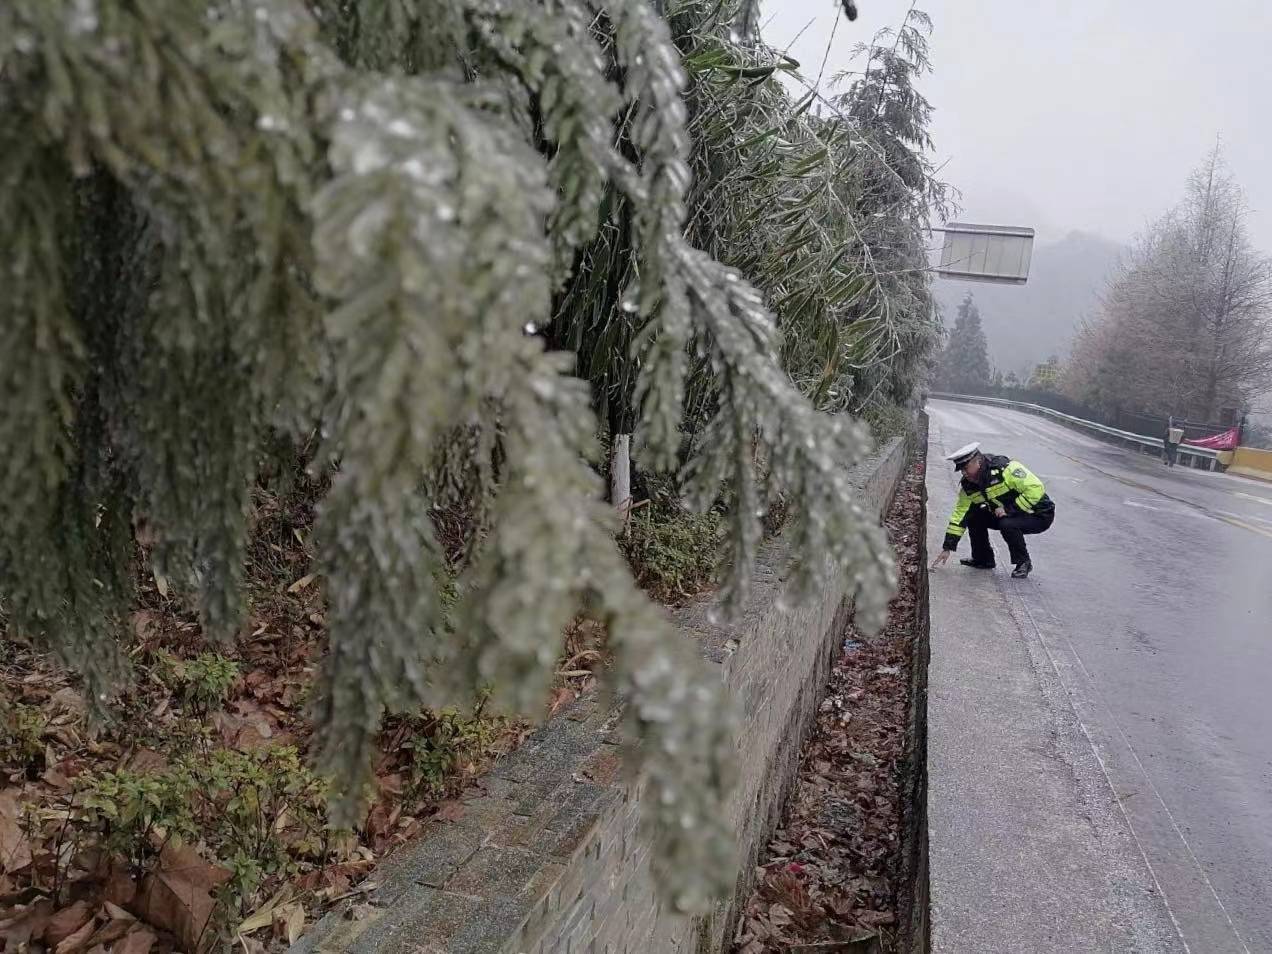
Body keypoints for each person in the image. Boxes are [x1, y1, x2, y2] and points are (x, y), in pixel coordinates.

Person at [930, 442, 1055, 579]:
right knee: (974, 516)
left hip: (1039, 514)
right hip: (1008, 514)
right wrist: (948, 546)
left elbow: (1036, 489)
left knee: (1007, 523)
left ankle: (1023, 563)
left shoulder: (1005, 469)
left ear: (978, 462)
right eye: (961, 470)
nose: (964, 473)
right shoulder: (969, 486)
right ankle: (983, 559)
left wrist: (1008, 509)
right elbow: (960, 514)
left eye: (966, 468)